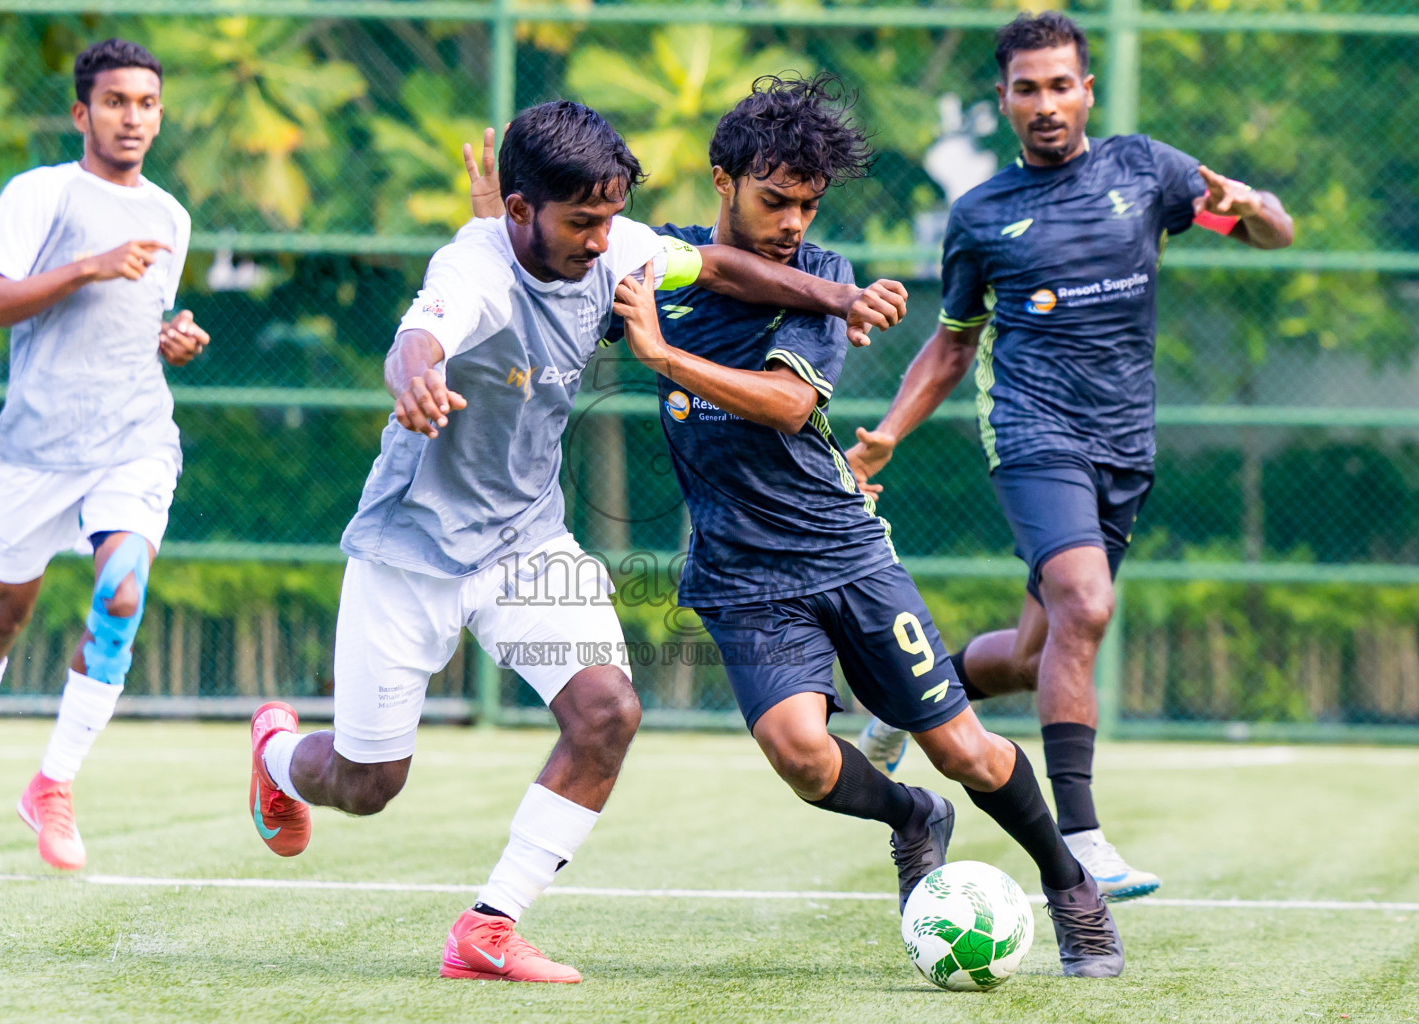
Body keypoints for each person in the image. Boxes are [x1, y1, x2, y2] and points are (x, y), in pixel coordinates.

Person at [245, 100, 909, 985]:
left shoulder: (620, 245)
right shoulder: (472, 267)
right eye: (581, 222)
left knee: (606, 714)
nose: (603, 243)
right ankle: (278, 757)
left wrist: (840, 296)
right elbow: (417, 339)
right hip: (412, 553)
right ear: (518, 210)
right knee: (368, 785)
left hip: (526, 543)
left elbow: (717, 267)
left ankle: (490, 926)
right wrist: (414, 381)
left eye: (609, 218)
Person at [589, 72, 1124, 979]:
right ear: (723, 182)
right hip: (736, 571)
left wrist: (660, 355)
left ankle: (1071, 884)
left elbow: (790, 405)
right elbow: (565, 279)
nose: (794, 222)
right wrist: (504, 234)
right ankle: (912, 818)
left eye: (808, 203)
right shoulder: (661, 262)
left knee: (965, 750)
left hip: (843, 552)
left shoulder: (823, 279)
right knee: (801, 754)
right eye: (775, 201)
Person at [848, 11, 1294, 901]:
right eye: (1027, 89)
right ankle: (1082, 841)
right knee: (1087, 603)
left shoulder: (1149, 171)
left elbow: (1272, 234)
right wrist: (888, 434)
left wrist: (1251, 205)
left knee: (1031, 652)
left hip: (1125, 445)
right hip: (1031, 435)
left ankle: (896, 693)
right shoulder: (980, 217)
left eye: (1061, 85)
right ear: (1004, 100)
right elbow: (951, 345)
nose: (1046, 103)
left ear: (1086, 89)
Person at [0, 39, 209, 871]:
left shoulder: (171, 215)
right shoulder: (40, 194)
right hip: (36, 446)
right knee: (1, 619)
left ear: (160, 116)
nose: (133, 117)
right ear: (82, 113)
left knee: (121, 591)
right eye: (117, 102)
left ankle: (52, 783)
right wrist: (89, 266)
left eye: (148, 104)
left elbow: (134, 324)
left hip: (133, 437)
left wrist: (173, 339)